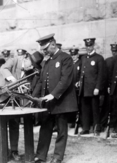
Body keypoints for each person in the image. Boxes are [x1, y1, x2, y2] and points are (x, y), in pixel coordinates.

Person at [33, 33, 77, 163]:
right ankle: (40, 156)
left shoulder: (65, 58)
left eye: (45, 49)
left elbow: (65, 79)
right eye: (43, 50)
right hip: (48, 102)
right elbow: (41, 81)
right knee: (45, 129)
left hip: (61, 102)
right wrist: (33, 97)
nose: (44, 51)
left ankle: (57, 157)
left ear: (53, 44)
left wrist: (53, 94)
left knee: (61, 131)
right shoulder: (47, 61)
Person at [0, 49, 31, 161]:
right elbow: (3, 68)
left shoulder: (29, 69)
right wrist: (13, 80)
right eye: (31, 64)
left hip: (14, 97)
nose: (31, 67)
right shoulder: (13, 60)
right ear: (25, 58)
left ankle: (14, 150)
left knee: (14, 124)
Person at [78, 38, 105, 136]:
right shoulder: (83, 58)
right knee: (85, 110)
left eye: (90, 46)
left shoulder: (99, 58)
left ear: (93, 45)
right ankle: (86, 128)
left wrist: (97, 87)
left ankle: (96, 128)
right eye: (87, 46)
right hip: (84, 89)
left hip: (94, 89)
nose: (88, 48)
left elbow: (101, 75)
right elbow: (82, 73)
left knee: (95, 110)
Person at [100, 44, 117, 132]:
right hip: (108, 88)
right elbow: (105, 75)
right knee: (106, 106)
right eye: (113, 51)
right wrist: (107, 86)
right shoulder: (107, 61)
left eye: (116, 51)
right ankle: (103, 124)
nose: (114, 53)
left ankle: (115, 125)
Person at [68, 48, 81, 128]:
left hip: (78, 88)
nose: (73, 57)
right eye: (72, 55)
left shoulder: (81, 63)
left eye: (75, 55)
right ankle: (72, 120)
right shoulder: (69, 64)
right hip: (70, 88)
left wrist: (79, 82)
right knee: (72, 105)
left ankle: (79, 121)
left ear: (78, 55)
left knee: (79, 105)